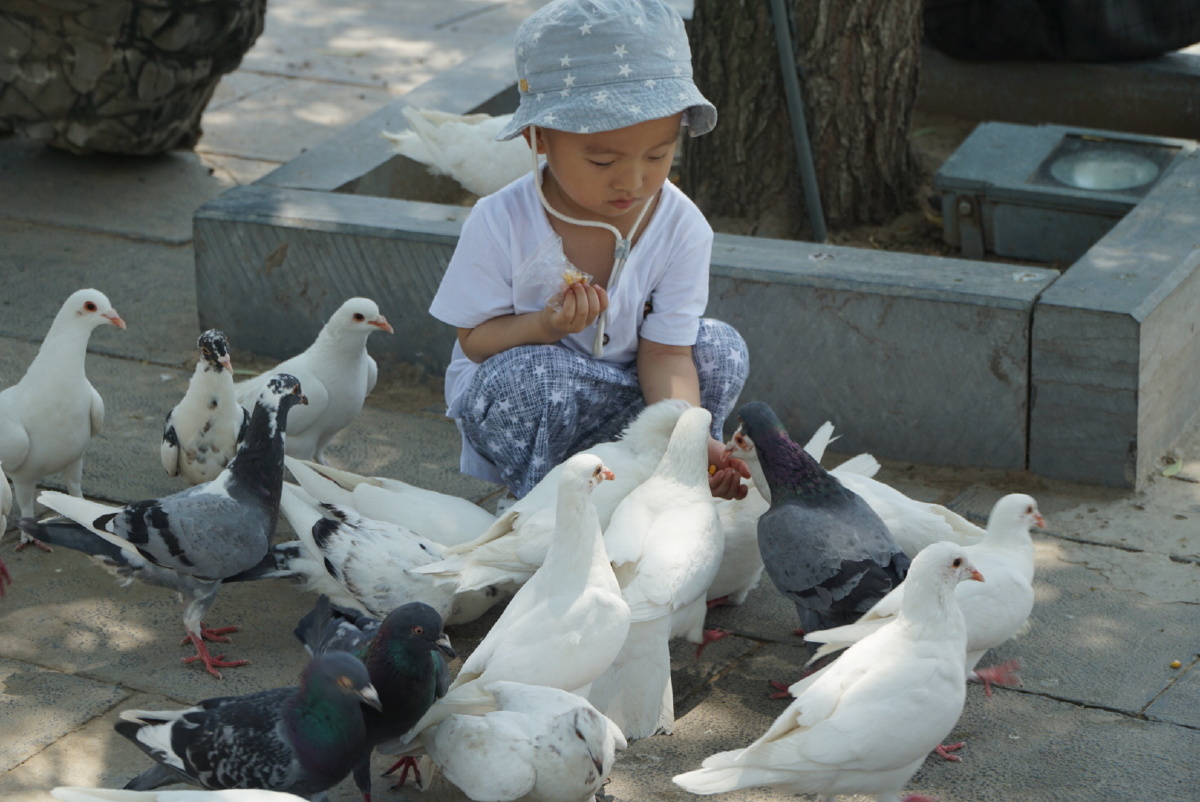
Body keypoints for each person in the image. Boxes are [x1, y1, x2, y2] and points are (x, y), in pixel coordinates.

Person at [429, 0, 750, 501]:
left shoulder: (682, 226)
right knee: (535, 372)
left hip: (629, 401)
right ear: (538, 138)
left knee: (720, 348)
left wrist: (687, 437)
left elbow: (667, 352)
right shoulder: (500, 219)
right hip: (527, 405)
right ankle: (537, 507)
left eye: (659, 154)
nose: (635, 180)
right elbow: (474, 340)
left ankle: (669, 477)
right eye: (602, 160)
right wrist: (546, 327)